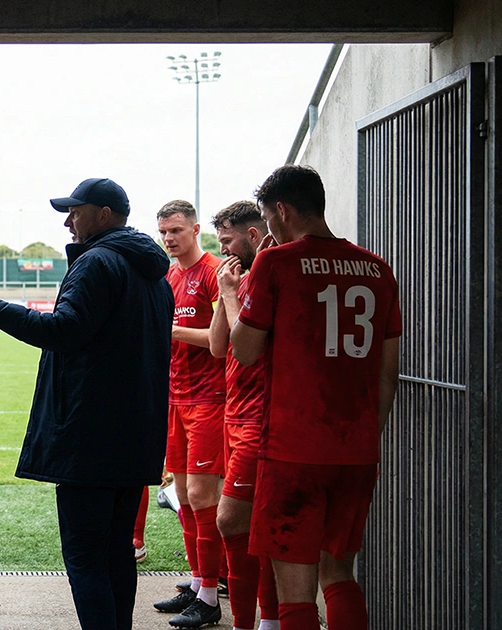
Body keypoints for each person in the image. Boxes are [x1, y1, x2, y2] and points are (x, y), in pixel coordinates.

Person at [0, 177, 172, 630]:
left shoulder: (97, 261)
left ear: (105, 215)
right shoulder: (153, 272)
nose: (68, 220)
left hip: (90, 436)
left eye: (76, 210)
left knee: (85, 554)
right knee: (117, 550)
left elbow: (64, 331)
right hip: (136, 433)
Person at [231, 166, 400, 630]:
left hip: (293, 450)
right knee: (339, 572)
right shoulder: (378, 268)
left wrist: (247, 286)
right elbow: (389, 375)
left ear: (282, 211)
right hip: (357, 449)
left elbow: (244, 352)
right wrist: (367, 435)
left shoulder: (277, 263)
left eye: (267, 218)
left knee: (295, 589)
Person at [153, 199, 227, 627]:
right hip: (174, 399)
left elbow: (224, 335)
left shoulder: (215, 273)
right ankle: (199, 583)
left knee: (202, 496)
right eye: (163, 232)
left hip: (208, 398)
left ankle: (211, 596)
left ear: (196, 229)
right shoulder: (169, 275)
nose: (169, 239)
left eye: (176, 231)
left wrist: (171, 329)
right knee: (182, 497)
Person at [206, 201, 279, 630]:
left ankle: (254, 622)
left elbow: (246, 351)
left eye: (228, 240)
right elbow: (219, 347)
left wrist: (231, 294)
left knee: (231, 519)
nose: (224, 251)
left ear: (253, 237)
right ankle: (255, 622)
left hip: (258, 419)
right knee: (248, 526)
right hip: (234, 416)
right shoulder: (241, 280)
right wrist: (224, 294)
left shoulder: (266, 279)